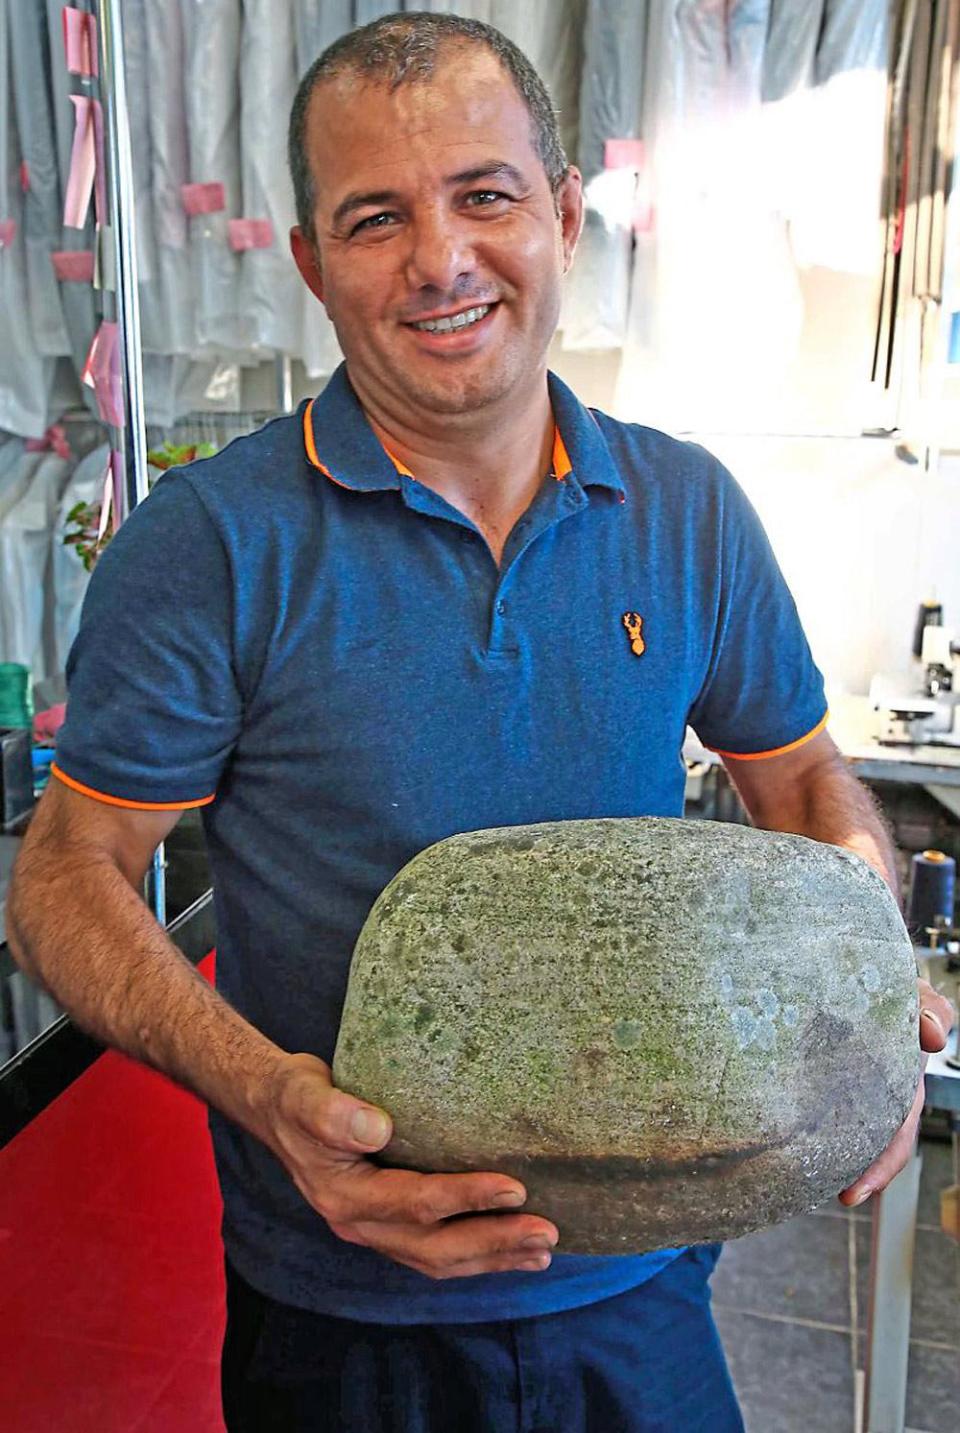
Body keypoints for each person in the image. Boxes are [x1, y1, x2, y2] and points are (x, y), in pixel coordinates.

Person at [8, 12, 953, 1432]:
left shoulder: (686, 511)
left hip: (642, 1277)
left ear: (564, 216)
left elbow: (806, 773)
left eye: (486, 196)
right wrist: (269, 1098)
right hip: (344, 1307)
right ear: (313, 264)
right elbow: (64, 874)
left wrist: (870, 995)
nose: (442, 259)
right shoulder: (207, 544)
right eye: (377, 216)